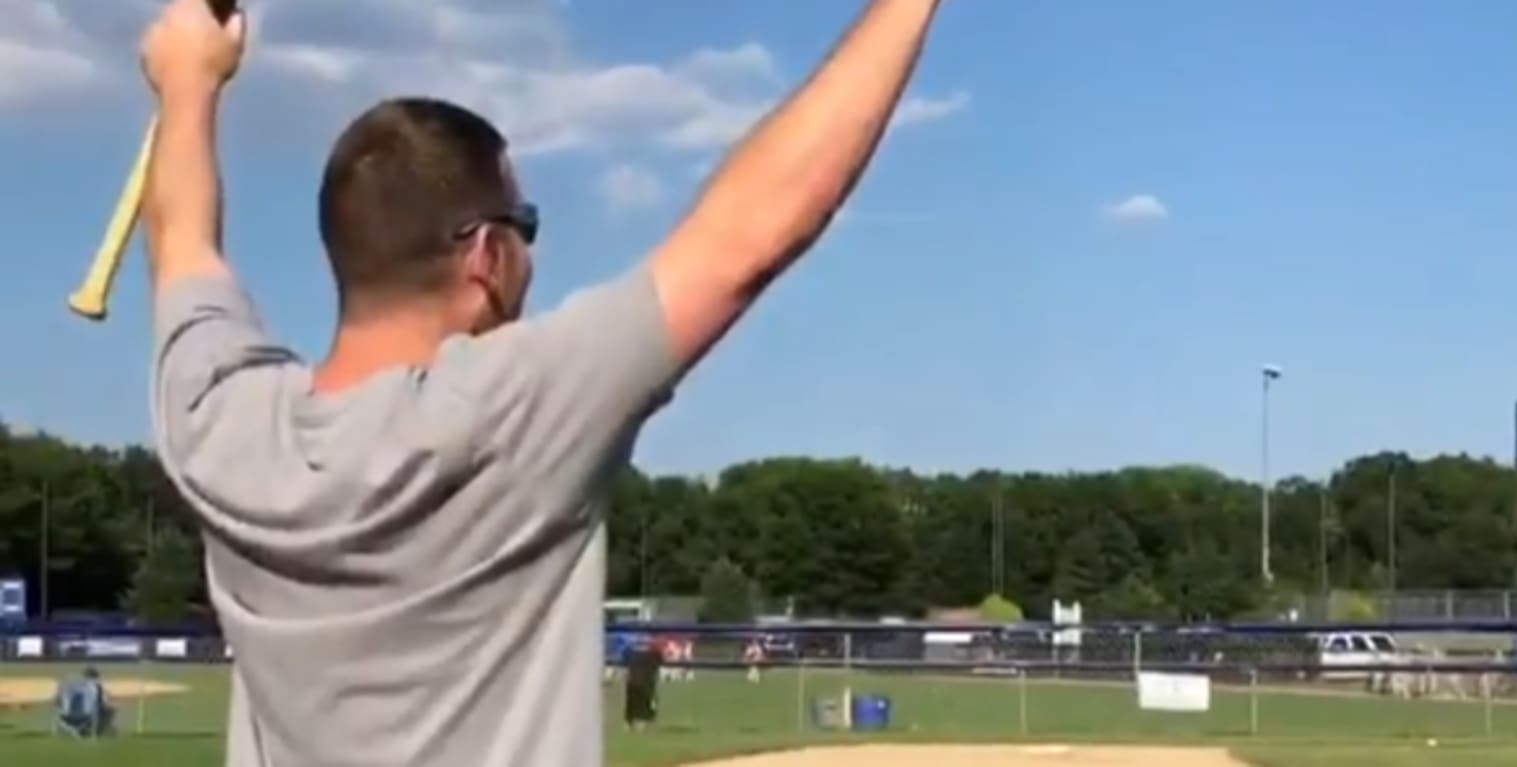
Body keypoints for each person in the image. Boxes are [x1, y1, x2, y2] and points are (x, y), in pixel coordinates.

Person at [137, 0, 944, 764]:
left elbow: (181, 239)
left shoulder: (217, 423)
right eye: (528, 227)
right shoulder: (516, 411)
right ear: (486, 254)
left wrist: (186, 80)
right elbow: (754, 232)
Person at [621, 637, 663, 732]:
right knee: (646, 701)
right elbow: (660, 661)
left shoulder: (630, 650)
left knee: (631, 703)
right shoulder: (654, 651)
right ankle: (641, 722)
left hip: (633, 680)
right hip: (646, 681)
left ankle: (629, 723)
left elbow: (624, 661)